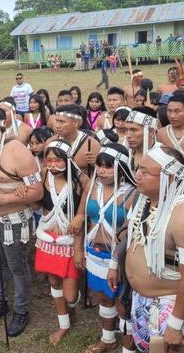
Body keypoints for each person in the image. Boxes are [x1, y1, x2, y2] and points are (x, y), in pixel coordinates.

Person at [122, 144, 184, 353]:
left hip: (171, 305)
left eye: (145, 172)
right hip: (140, 298)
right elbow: (132, 239)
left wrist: (175, 324)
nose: (137, 175)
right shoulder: (144, 200)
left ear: (169, 177)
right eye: (138, 168)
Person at [0, 106, 43, 337]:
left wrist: (3, 198)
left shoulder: (17, 150)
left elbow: (37, 191)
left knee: (17, 267)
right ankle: (0, 302)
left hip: (13, 221)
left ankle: (21, 310)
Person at [82, 144, 137, 353]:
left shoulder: (132, 193)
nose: (102, 170)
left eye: (108, 166)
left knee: (124, 303)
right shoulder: (91, 187)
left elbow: (130, 232)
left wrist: (117, 258)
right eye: (99, 165)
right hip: (95, 253)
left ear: (121, 167)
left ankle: (128, 348)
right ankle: (107, 339)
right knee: (104, 296)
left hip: (120, 256)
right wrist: (79, 249)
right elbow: (81, 216)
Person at [35, 140, 87, 345]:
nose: (53, 164)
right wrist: (23, 193)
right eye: (49, 159)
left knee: (71, 295)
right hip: (48, 238)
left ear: (68, 160)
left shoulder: (81, 180)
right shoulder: (41, 176)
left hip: (69, 241)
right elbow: (34, 199)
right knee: (54, 282)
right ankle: (63, 324)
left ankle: (70, 305)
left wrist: (78, 247)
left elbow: (82, 216)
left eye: (58, 159)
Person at [49, 104, 100, 175]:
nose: (57, 126)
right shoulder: (50, 142)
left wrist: (95, 164)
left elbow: (102, 174)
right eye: (57, 121)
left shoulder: (92, 145)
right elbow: (45, 172)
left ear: (76, 123)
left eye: (62, 122)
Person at [125, 106, 158, 173]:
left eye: (134, 130)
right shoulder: (125, 152)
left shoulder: (162, 156)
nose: (128, 135)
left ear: (151, 131)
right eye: (126, 130)